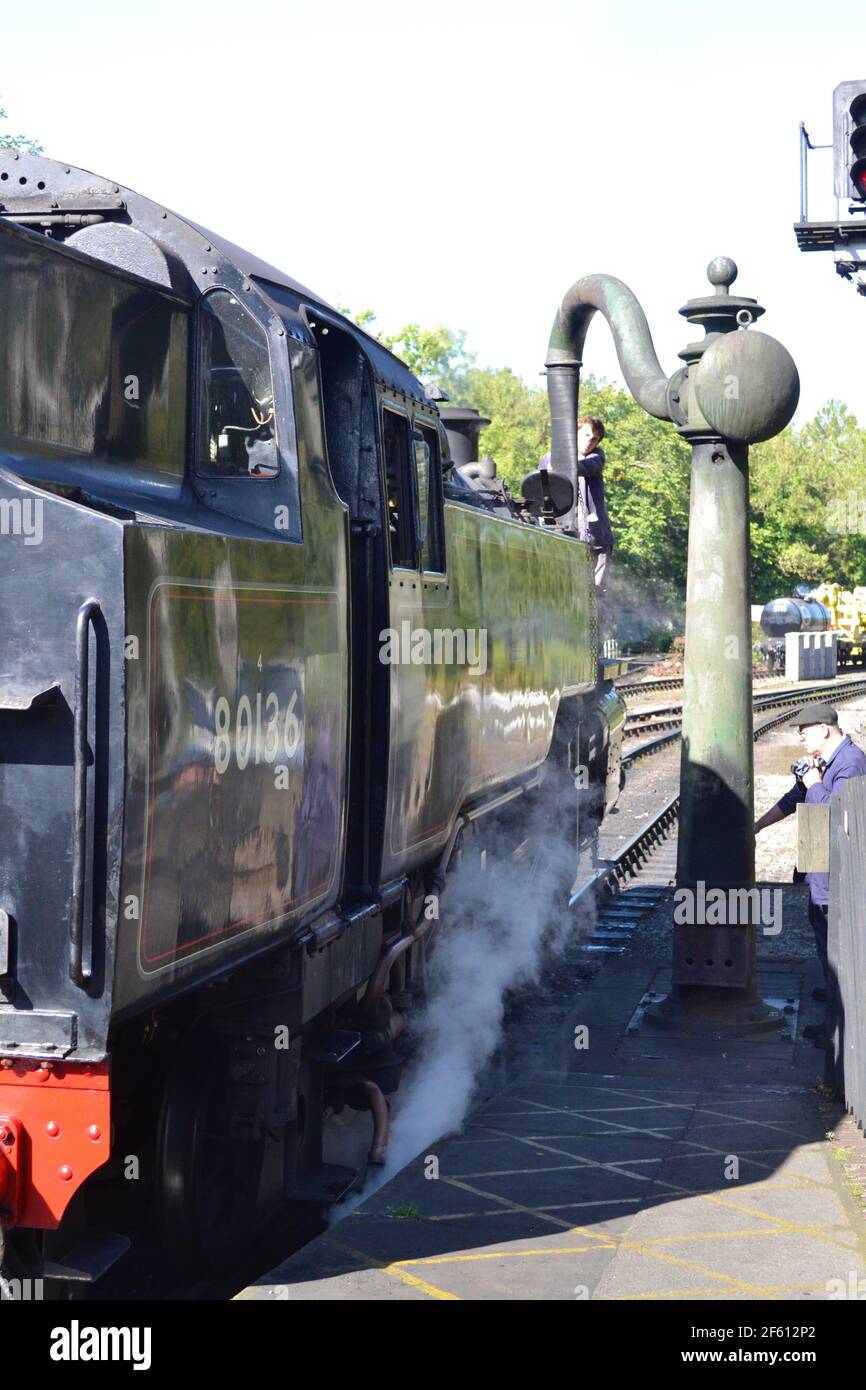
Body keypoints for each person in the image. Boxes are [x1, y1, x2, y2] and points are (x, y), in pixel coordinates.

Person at [753, 702, 866, 1043]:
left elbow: (842, 818)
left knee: (838, 952)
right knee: (823, 943)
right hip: (821, 872)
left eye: (804, 732)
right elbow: (794, 799)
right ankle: (834, 998)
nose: (800, 738)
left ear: (824, 728)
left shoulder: (851, 763)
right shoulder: (825, 762)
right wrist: (756, 826)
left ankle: (837, 1030)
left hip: (840, 879)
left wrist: (816, 782)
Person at [540, 414, 614, 634]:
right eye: (587, 435)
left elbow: (585, 467)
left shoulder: (597, 457)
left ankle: (593, 639)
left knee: (597, 590)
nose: (591, 441)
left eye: (595, 439)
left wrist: (561, 462)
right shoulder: (549, 457)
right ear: (575, 433)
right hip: (564, 537)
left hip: (597, 538)